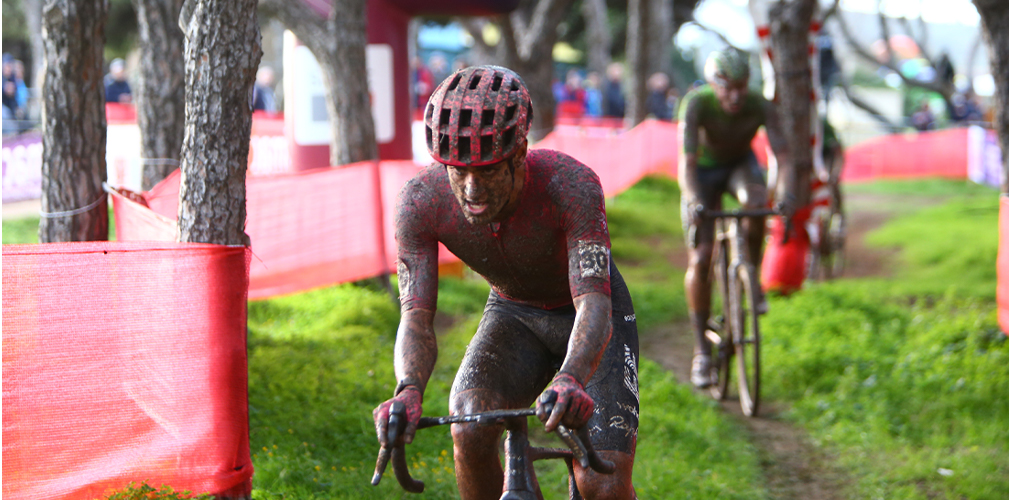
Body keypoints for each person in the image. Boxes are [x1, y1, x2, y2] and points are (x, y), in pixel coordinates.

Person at [373, 65, 639, 499]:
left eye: (489, 170)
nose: (472, 188)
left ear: (520, 154)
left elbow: (593, 303)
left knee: (603, 484)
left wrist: (571, 376)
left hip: (588, 312)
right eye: (457, 171)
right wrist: (408, 390)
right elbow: (416, 316)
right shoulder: (420, 202)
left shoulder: (570, 185)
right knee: (469, 423)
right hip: (514, 315)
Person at [677, 48, 791, 389]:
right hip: (704, 174)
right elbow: (687, 163)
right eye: (727, 87)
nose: (736, 95)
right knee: (700, 258)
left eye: (742, 86)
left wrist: (785, 195)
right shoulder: (697, 103)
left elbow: (782, 157)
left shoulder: (759, 105)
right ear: (713, 84)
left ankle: (750, 277)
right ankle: (701, 351)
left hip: (741, 167)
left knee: (757, 203)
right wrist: (695, 200)